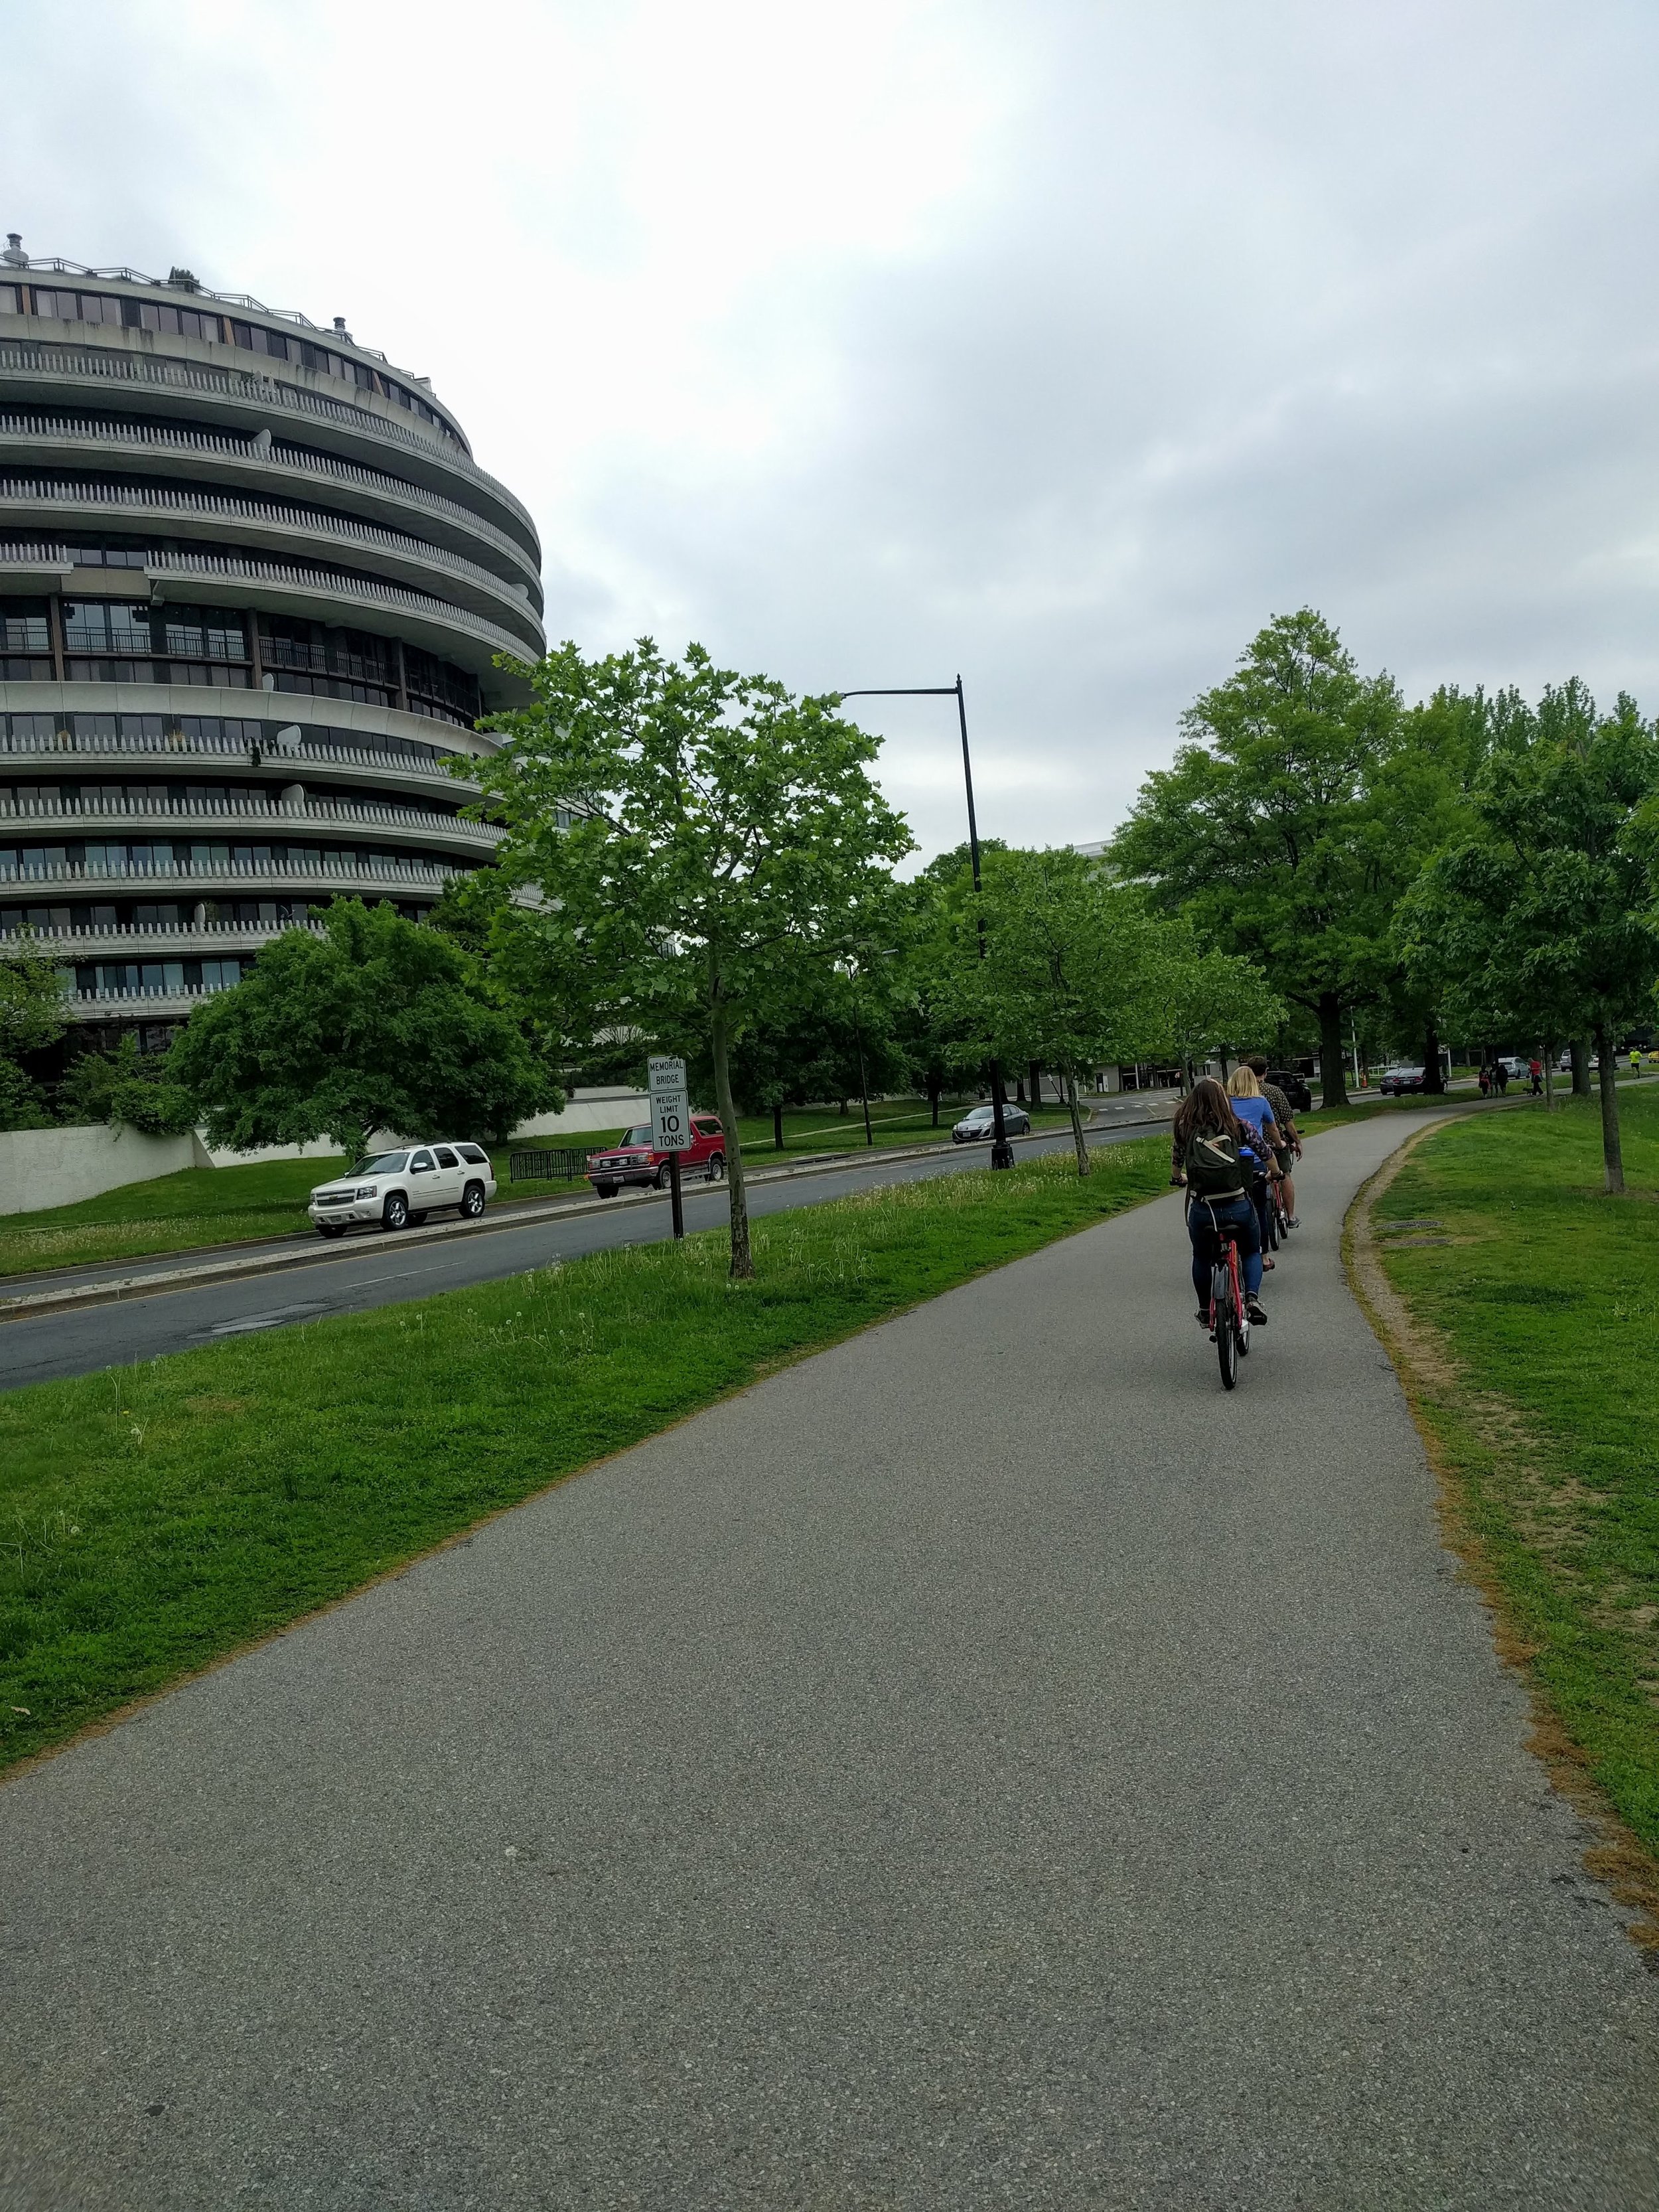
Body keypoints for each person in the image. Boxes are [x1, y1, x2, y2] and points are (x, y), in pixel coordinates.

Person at [1170, 1076, 1268, 1329]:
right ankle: (1252, 1299)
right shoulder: (1238, 1126)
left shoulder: (1184, 1129)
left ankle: (1205, 1309)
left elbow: (1176, 1163)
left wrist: (1178, 1179)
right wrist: (1274, 1173)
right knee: (1250, 1250)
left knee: (1201, 1256)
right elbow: (1264, 1152)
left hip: (1205, 1210)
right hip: (1238, 1205)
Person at [1224, 1065, 1283, 1268]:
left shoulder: (1225, 1104)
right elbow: (1272, 1128)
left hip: (1230, 1161)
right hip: (1256, 1160)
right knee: (1259, 1209)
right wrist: (1280, 1144)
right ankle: (1264, 1255)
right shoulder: (1261, 1102)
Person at [1248, 1055, 1300, 1226]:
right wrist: (1296, 1141)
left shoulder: (1243, 1094)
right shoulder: (1274, 1092)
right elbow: (1288, 1121)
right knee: (1284, 1174)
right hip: (1274, 1143)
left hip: (1251, 1146)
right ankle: (1291, 1217)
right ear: (1266, 1072)